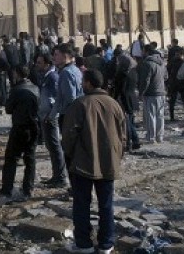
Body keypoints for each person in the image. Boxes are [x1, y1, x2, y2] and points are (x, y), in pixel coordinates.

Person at [61, 69, 127, 254]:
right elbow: (123, 136)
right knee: (106, 204)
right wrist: (116, 156)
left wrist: (71, 155)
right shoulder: (114, 104)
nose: (82, 84)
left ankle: (84, 244)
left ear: (89, 83)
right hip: (108, 162)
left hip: (83, 164)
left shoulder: (80, 104)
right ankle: (106, 243)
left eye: (83, 81)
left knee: (82, 204)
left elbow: (68, 136)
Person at [0, 65, 40, 199]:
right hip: (33, 126)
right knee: (30, 158)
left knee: (11, 158)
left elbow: (9, 109)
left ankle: (7, 189)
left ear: (17, 74)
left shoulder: (16, 90)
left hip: (19, 126)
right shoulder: (35, 88)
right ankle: (28, 189)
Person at [36, 52, 67, 187]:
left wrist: (51, 115)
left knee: (55, 146)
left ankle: (60, 177)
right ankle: (56, 175)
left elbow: (57, 98)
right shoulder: (46, 76)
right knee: (51, 146)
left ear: (47, 64)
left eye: (39, 63)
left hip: (50, 117)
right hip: (45, 116)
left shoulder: (53, 77)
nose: (37, 65)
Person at [137, 43, 167, 144]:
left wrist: (141, 93)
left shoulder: (147, 63)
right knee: (160, 116)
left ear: (146, 51)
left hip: (151, 93)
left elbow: (146, 80)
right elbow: (166, 77)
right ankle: (160, 137)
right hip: (161, 92)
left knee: (150, 116)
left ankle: (151, 137)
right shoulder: (162, 63)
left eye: (143, 51)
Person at [51, 44, 84, 131]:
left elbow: (70, 97)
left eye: (56, 54)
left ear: (64, 56)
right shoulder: (75, 69)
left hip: (68, 115)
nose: (54, 57)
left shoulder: (66, 72)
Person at [119, 51, 141, 152]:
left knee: (127, 123)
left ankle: (132, 141)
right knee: (130, 121)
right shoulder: (133, 72)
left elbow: (122, 90)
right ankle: (134, 142)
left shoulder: (123, 74)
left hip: (126, 100)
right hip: (133, 98)